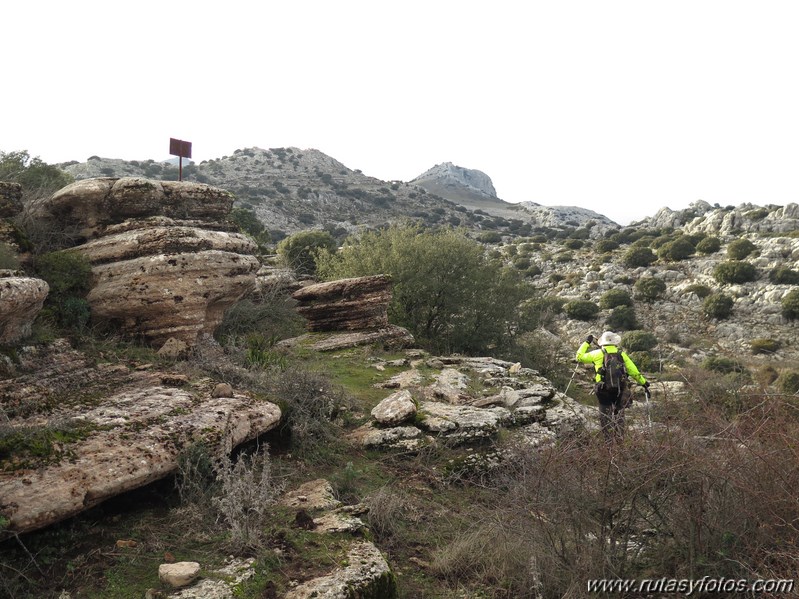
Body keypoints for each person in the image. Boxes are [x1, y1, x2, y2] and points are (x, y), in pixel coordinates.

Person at [576, 331, 649, 440]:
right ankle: (620, 441)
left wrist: (587, 342)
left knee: (605, 416)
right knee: (619, 415)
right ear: (614, 342)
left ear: (602, 342)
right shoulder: (621, 354)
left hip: (603, 390)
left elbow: (579, 357)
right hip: (620, 389)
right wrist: (644, 383)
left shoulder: (597, 353)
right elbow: (634, 371)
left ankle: (608, 443)